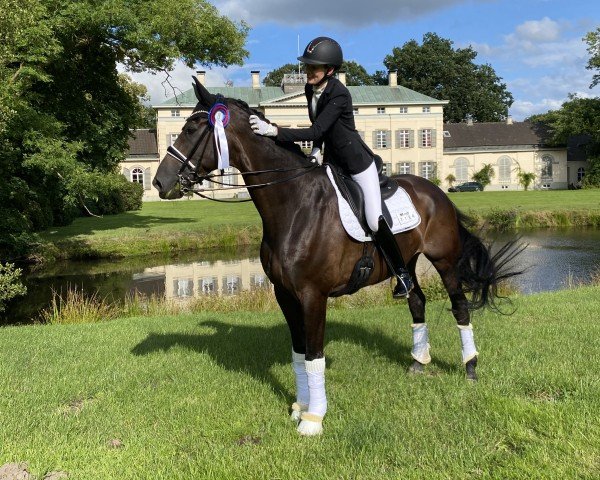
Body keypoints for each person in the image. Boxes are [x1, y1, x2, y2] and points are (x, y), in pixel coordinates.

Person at [249, 36, 413, 299]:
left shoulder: (339, 92)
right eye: (307, 67)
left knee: (373, 216)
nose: (308, 72)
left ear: (330, 70)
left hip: (357, 164)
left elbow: (317, 128)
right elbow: (322, 134)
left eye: (314, 67)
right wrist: (316, 150)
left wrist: (274, 131)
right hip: (332, 163)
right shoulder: (309, 90)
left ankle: (402, 274)